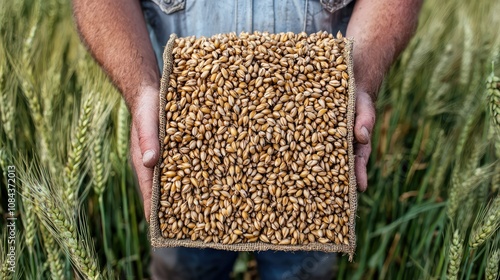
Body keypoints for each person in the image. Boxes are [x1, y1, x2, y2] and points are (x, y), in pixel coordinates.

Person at [72, 0, 422, 279]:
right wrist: (142, 88)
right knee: (184, 268)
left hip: (310, 189)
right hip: (186, 164)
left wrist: (358, 79)